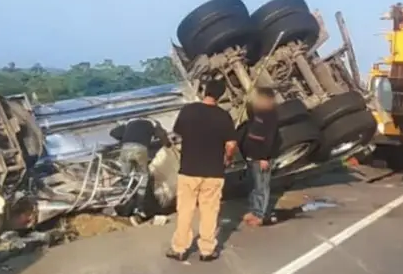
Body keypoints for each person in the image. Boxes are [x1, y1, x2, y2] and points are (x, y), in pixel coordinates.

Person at [166, 79, 237, 262]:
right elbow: (231, 145)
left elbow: (177, 135)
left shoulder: (188, 111)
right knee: (210, 211)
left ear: (204, 91)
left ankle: (180, 248)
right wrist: (228, 159)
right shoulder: (224, 116)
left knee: (185, 210)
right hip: (214, 171)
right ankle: (206, 250)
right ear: (220, 95)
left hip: (189, 169)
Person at [108, 117, 171, 217]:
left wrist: (126, 137)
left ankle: (123, 204)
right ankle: (139, 207)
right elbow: (162, 135)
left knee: (126, 177)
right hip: (140, 150)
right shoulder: (153, 123)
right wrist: (168, 144)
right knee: (143, 177)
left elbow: (113, 133)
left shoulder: (130, 122)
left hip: (125, 150)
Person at [240, 87, 280, 227]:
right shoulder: (257, 113)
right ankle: (253, 209)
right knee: (253, 185)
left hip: (262, 157)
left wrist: (264, 157)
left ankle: (259, 214)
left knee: (261, 186)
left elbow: (269, 138)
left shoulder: (270, 116)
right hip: (252, 155)